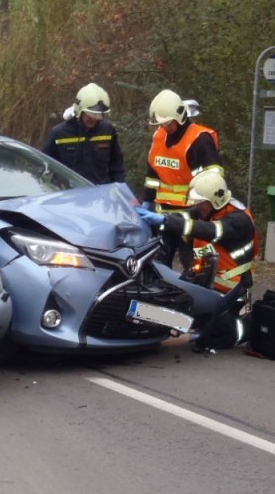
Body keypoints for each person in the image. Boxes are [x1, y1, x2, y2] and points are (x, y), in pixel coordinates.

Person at [139, 169, 257, 351]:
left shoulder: (239, 221)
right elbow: (186, 216)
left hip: (231, 293)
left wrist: (165, 220)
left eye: (201, 203)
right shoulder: (208, 210)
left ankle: (249, 328)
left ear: (214, 200)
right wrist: (162, 220)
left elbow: (210, 230)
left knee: (210, 336)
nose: (198, 206)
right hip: (205, 287)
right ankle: (147, 326)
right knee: (162, 306)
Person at [143, 89, 222, 268]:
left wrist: (205, 213)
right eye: (161, 124)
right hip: (162, 215)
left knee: (193, 267)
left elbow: (214, 179)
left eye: (167, 123)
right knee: (158, 266)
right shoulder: (159, 137)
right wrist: (147, 200)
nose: (164, 127)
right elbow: (153, 173)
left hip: (191, 218)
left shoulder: (200, 140)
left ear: (179, 117)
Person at [41, 83, 125, 184]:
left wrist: (118, 188)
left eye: (98, 116)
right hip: (69, 195)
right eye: (90, 115)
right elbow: (44, 166)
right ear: (79, 110)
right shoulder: (59, 134)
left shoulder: (107, 130)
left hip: (99, 194)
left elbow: (116, 165)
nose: (93, 120)